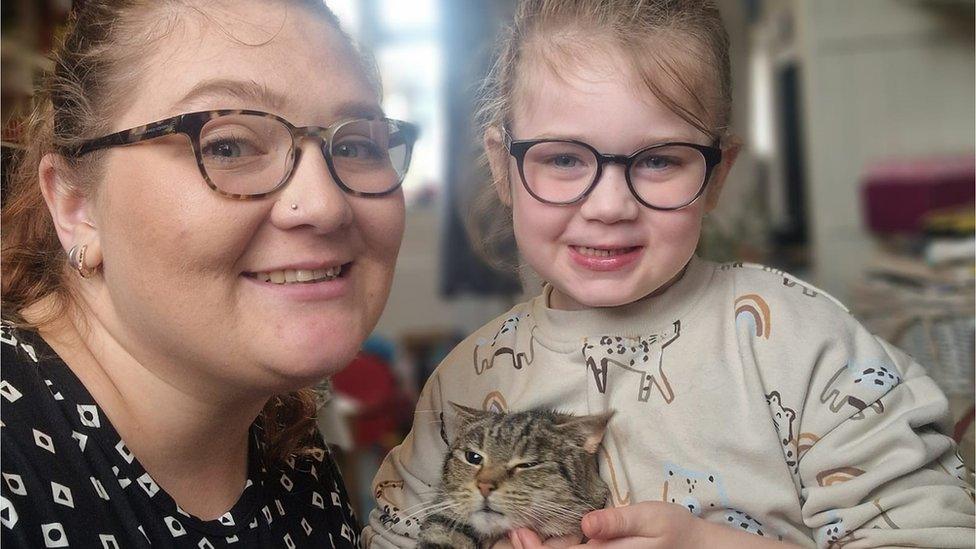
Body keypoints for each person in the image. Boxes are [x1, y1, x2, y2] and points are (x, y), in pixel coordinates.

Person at [364, 1, 975, 548]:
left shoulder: (804, 341)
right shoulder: (462, 383)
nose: (608, 206)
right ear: (502, 168)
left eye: (658, 160)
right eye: (565, 159)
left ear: (716, 176)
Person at [0, 1, 417, 547]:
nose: (325, 204)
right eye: (227, 144)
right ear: (77, 205)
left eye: (358, 144)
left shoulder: (285, 436)